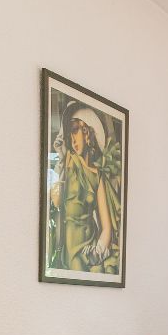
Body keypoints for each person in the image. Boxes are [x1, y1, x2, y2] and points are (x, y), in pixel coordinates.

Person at [49, 102, 119, 272]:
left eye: (75, 130)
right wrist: (61, 158)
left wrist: (97, 252)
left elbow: (106, 228)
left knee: (103, 271)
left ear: (87, 132)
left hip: (91, 250)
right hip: (71, 252)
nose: (72, 139)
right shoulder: (69, 164)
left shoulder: (97, 175)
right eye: (69, 132)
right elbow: (56, 201)